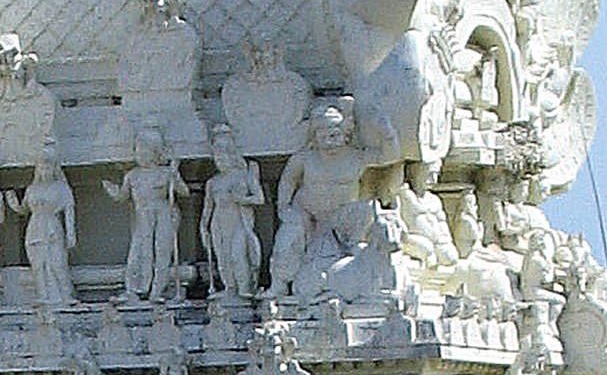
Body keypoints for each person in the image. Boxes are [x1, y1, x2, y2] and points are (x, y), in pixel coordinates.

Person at [267, 99, 399, 297]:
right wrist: (284, 207)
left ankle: (359, 258)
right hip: (307, 213)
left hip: (343, 214)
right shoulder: (304, 158)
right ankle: (279, 284)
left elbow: (388, 156)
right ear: (315, 136)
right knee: (287, 240)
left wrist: (386, 131)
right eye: (323, 135)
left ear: (345, 134)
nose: (329, 140)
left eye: (334, 134)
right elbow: (288, 180)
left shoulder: (356, 157)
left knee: (366, 210)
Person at [102, 128, 189, 302]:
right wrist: (113, 191)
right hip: (143, 217)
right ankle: (134, 289)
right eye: (137, 149)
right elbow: (123, 196)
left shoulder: (165, 172)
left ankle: (158, 290)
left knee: (161, 252)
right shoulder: (132, 176)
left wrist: (175, 177)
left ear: (156, 153)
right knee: (138, 252)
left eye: (145, 150)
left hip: (163, 214)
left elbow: (184, 192)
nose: (140, 154)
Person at [6, 140, 76, 306]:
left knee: (57, 263)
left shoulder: (61, 188)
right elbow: (24, 209)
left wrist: (71, 232)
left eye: (48, 167)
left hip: (52, 225)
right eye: (42, 167)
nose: (45, 171)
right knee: (38, 264)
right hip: (35, 227)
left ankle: (65, 295)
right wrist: (12, 202)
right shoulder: (32, 189)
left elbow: (69, 209)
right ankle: (44, 295)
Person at [200, 125, 264, 298]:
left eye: (223, 155)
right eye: (216, 157)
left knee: (238, 255)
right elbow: (208, 207)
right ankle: (230, 287)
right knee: (223, 258)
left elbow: (259, 198)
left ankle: (245, 288)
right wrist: (203, 227)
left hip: (239, 222)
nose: (219, 160)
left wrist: (240, 199)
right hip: (219, 222)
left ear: (232, 155)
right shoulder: (213, 182)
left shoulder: (245, 176)